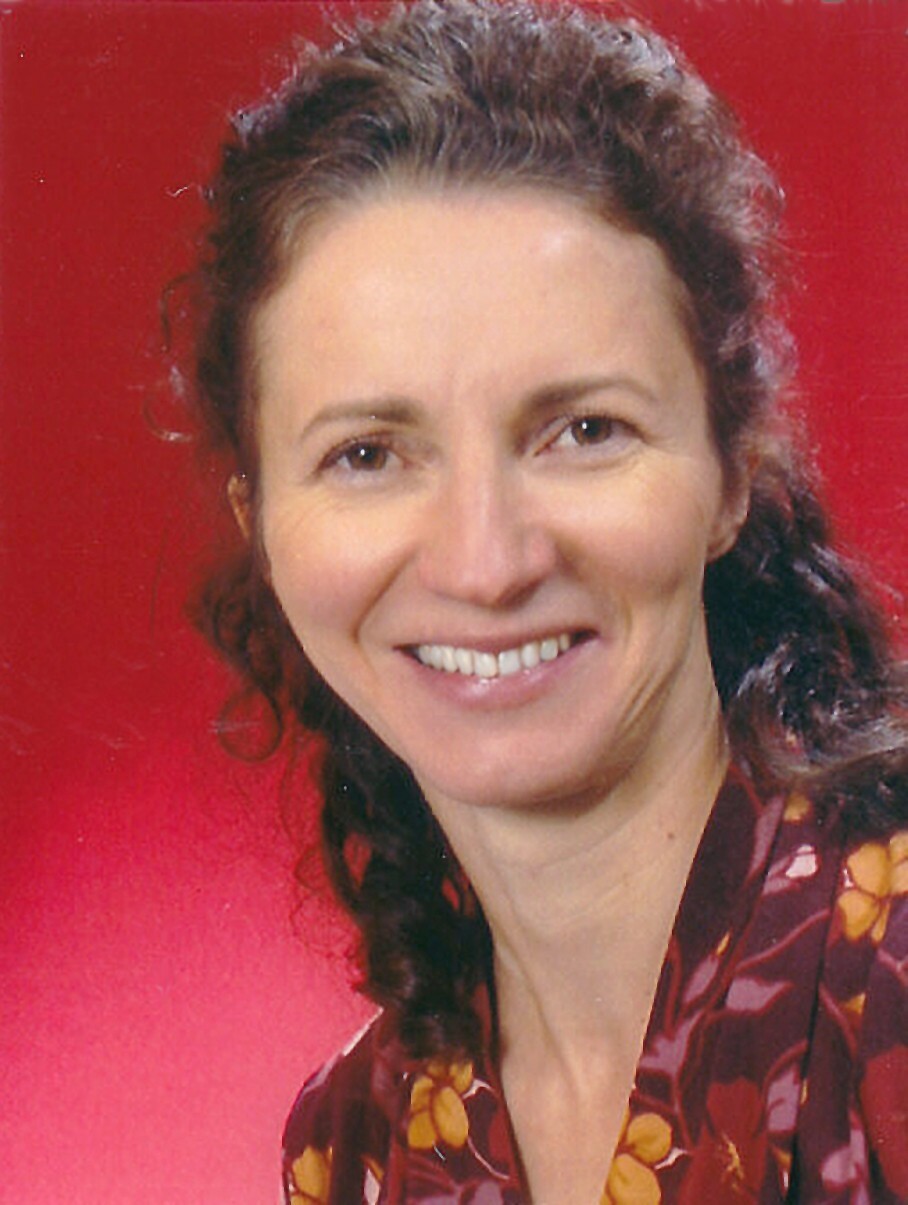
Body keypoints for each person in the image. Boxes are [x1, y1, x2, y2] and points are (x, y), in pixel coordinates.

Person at [186, 1, 908, 1200]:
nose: (485, 561)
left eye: (582, 430)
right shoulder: (355, 1143)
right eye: (367, 453)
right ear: (261, 527)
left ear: (731, 476)